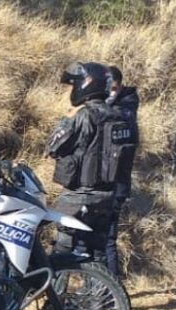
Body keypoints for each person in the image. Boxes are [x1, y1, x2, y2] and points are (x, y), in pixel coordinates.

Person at [47, 62, 137, 271]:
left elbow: (53, 147)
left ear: (87, 85)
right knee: (97, 254)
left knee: (62, 251)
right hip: (107, 195)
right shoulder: (120, 116)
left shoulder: (84, 116)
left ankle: (55, 301)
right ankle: (99, 302)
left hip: (78, 196)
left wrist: (66, 120)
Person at [104, 65, 140, 278]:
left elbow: (121, 119)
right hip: (98, 184)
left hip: (116, 185)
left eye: (114, 88)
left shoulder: (128, 105)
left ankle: (110, 290)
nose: (111, 92)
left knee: (107, 240)